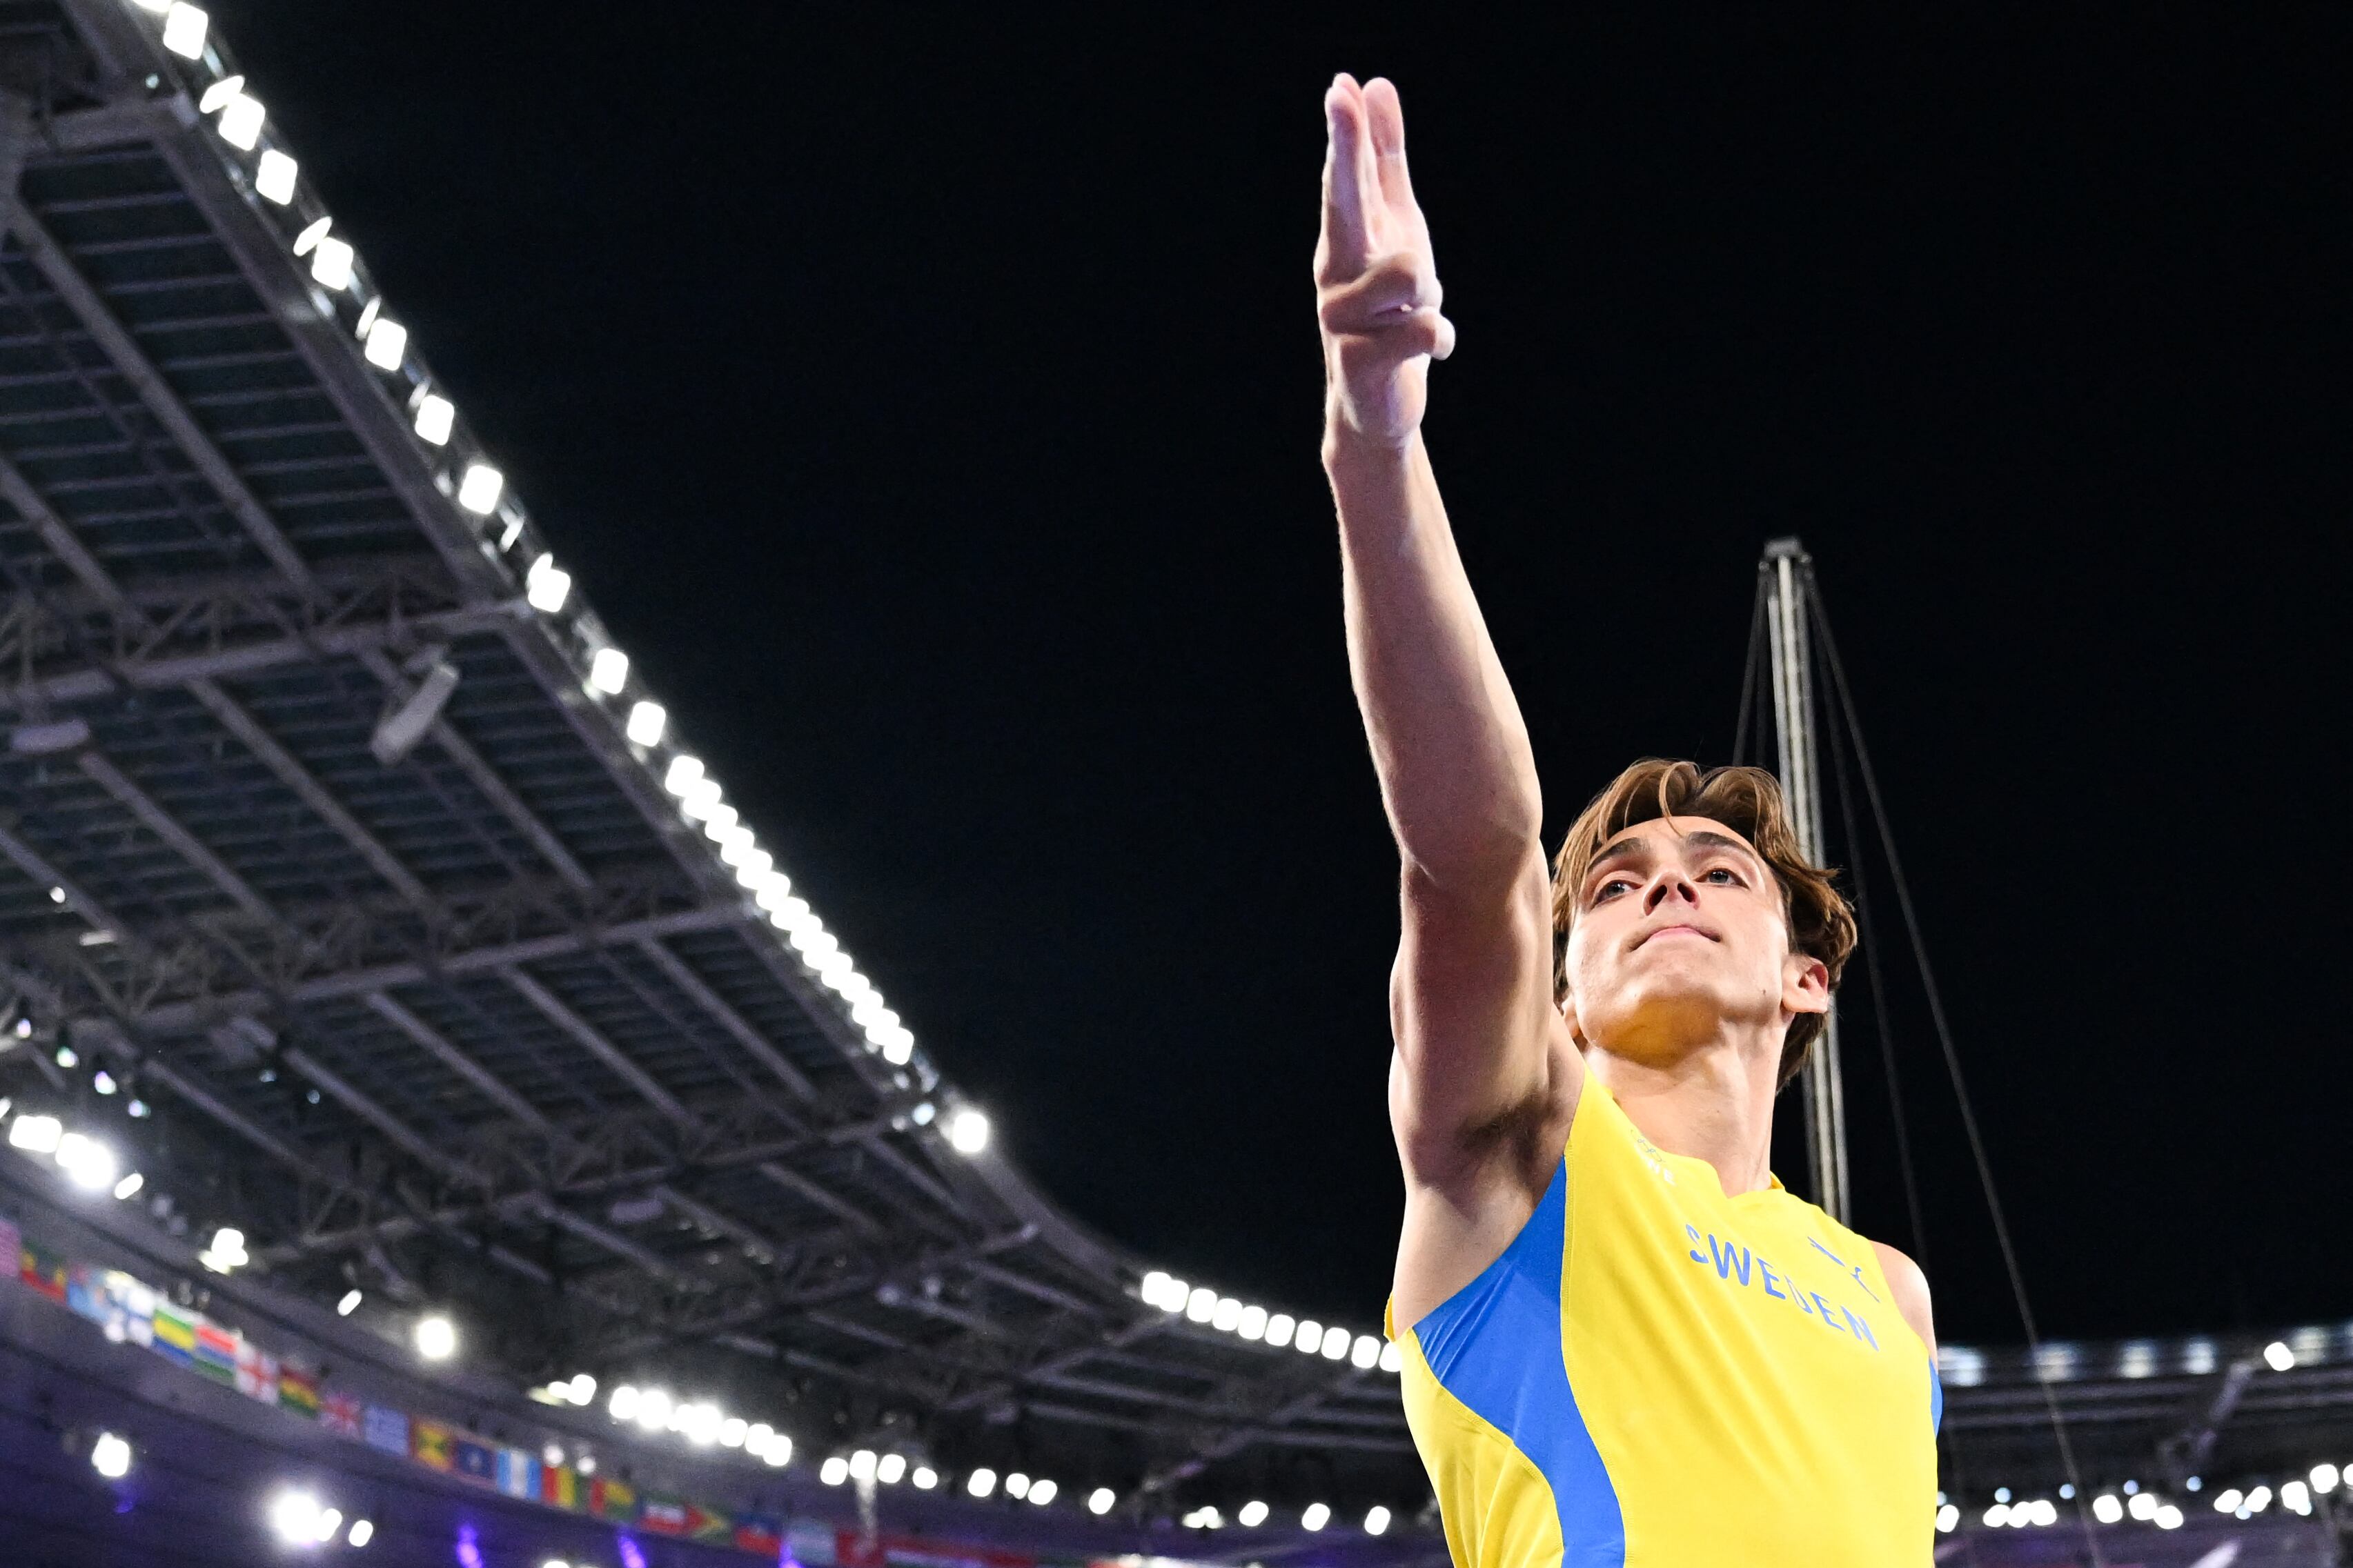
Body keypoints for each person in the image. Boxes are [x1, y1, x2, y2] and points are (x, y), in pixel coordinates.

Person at [1317, 73, 1939, 1565]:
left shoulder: (1892, 1296)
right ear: (1567, 995)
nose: (1664, 890)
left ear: (1805, 976)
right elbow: (1468, 860)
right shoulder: (1519, 1156)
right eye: (1609, 890)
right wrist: (1374, 444)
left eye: (1718, 872)